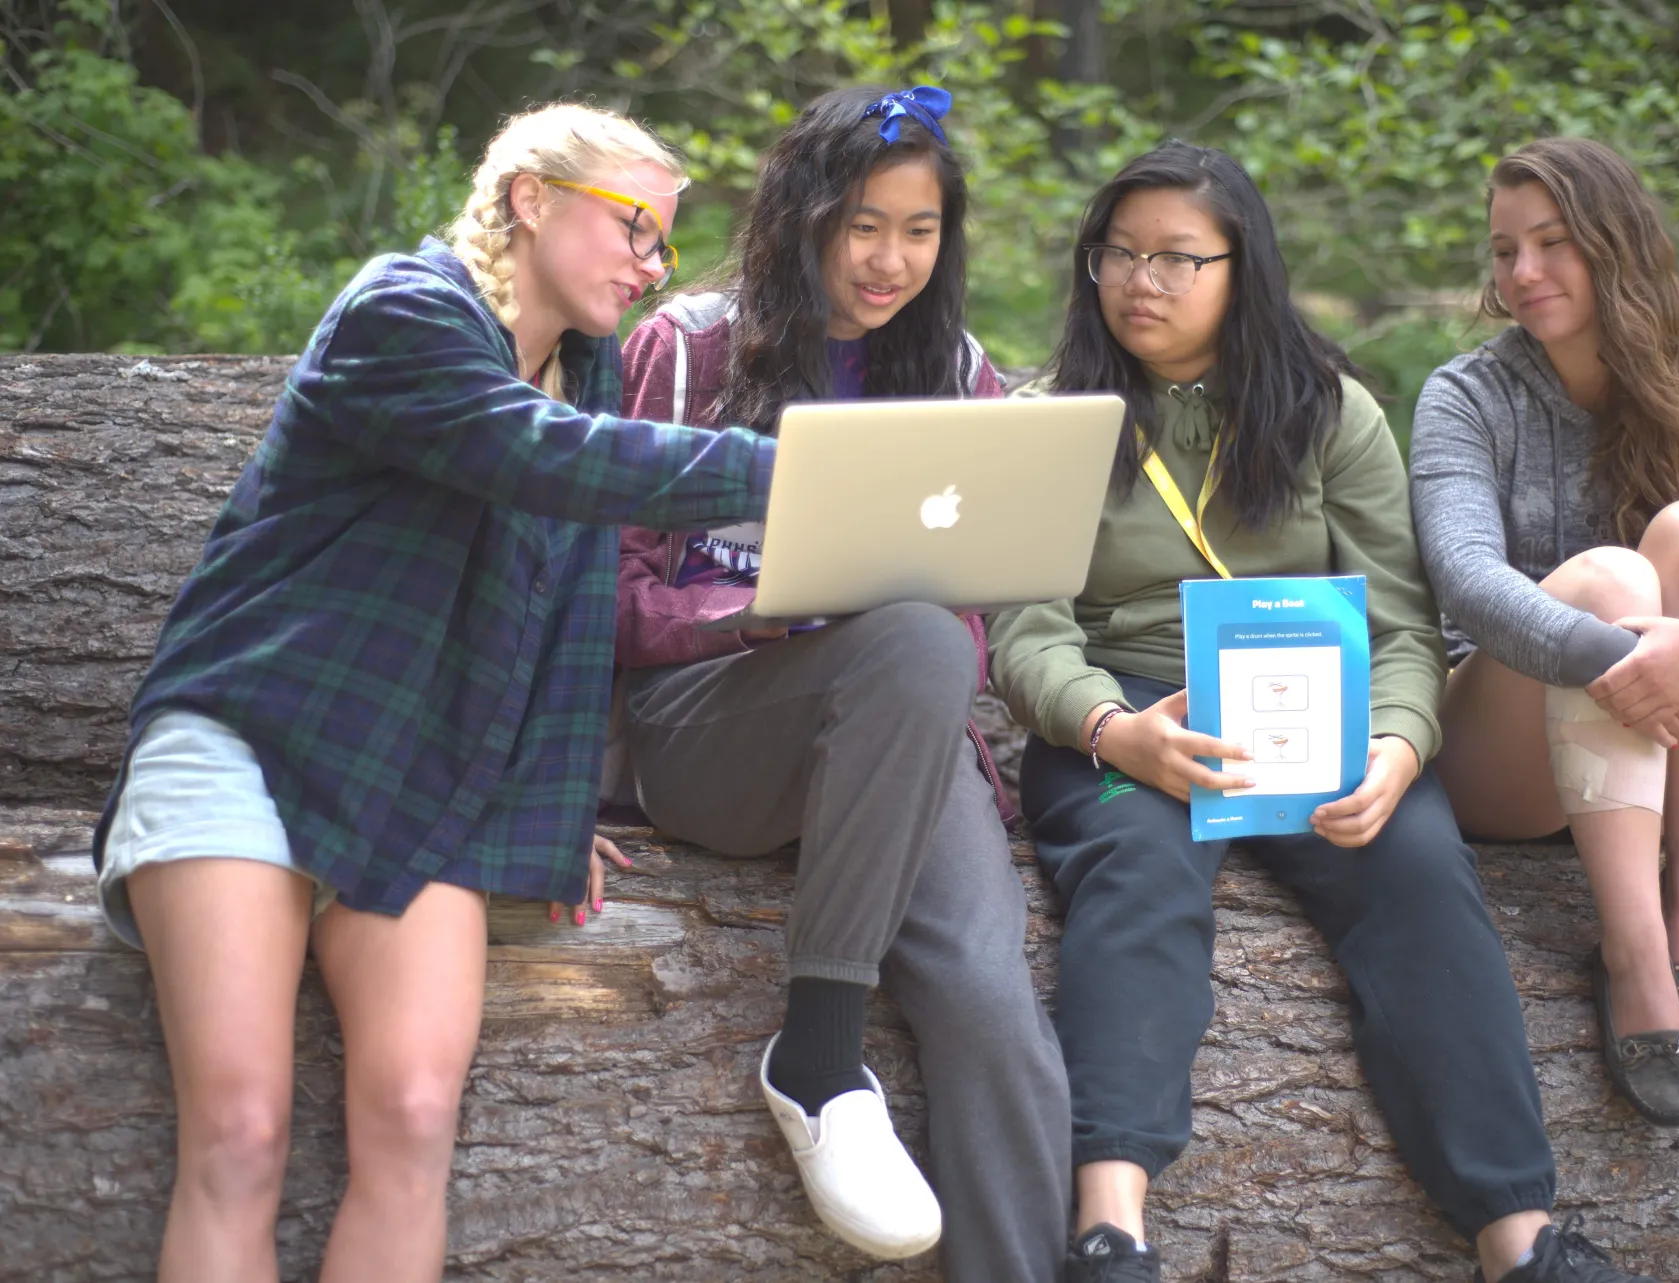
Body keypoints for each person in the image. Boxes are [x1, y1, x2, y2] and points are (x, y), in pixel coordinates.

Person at [90, 103, 776, 1283]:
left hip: (419, 771)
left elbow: (562, 612)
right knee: (240, 1133)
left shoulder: (587, 370)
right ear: (529, 199)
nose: (650, 267)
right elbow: (540, 460)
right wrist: (804, 463)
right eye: (633, 229)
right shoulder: (403, 311)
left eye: (664, 245)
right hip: (248, 737)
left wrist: (551, 809)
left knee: (412, 1114)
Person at [991, 140, 1657, 1283]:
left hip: (1318, 712)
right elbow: (1027, 632)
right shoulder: (1047, 416)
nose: (1139, 279)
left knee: (1417, 869)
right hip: (1126, 718)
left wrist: (1400, 745)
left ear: (1243, 270)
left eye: (1175, 257)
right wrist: (1114, 731)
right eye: (1119, 252)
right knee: (1138, 864)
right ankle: (1111, 1227)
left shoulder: (1331, 412)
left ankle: (1520, 1235)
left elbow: (1405, 624)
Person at [607, 85, 1071, 1281]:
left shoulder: (959, 370)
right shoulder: (687, 348)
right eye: (863, 224)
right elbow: (607, 597)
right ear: (802, 217)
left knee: (987, 994)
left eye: (919, 231)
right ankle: (817, 1054)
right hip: (716, 732)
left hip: (897, 733)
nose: (889, 260)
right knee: (912, 636)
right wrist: (766, 614)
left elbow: (970, 612)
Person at [1410, 137, 1679, 1126]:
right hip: (1497, 750)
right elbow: (1466, 580)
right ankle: (1634, 954)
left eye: (1552, 243)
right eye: (1505, 247)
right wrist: (1625, 656)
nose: (1522, 272)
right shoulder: (1467, 396)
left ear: (1618, 245)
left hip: (1654, 741)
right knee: (1608, 577)